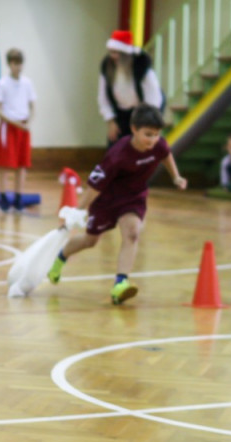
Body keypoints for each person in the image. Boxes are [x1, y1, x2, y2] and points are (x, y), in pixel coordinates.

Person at [47, 104, 186, 305]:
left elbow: (166, 154)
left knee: (132, 233)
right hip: (106, 201)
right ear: (134, 129)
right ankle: (60, 259)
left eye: (156, 134)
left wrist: (176, 176)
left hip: (133, 198)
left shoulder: (158, 145)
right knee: (90, 241)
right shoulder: (117, 155)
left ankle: (120, 284)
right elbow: (94, 187)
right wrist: (78, 212)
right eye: (148, 134)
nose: (153, 140)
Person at [98, 30, 163, 144]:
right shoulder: (107, 67)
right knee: (116, 147)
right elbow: (103, 98)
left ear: (126, 53)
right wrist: (111, 120)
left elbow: (154, 99)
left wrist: (145, 126)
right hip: (120, 114)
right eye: (111, 52)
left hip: (143, 113)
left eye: (116, 53)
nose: (113, 56)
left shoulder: (142, 67)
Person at [0, 48, 35, 212]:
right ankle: (3, 199)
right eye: (15, 63)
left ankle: (18, 199)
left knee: (21, 164)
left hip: (23, 127)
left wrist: (28, 121)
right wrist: (15, 123)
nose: (18, 66)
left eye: (20, 63)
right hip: (9, 126)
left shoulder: (27, 83)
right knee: (4, 164)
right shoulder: (2, 83)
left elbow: (32, 105)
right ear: (9, 64)